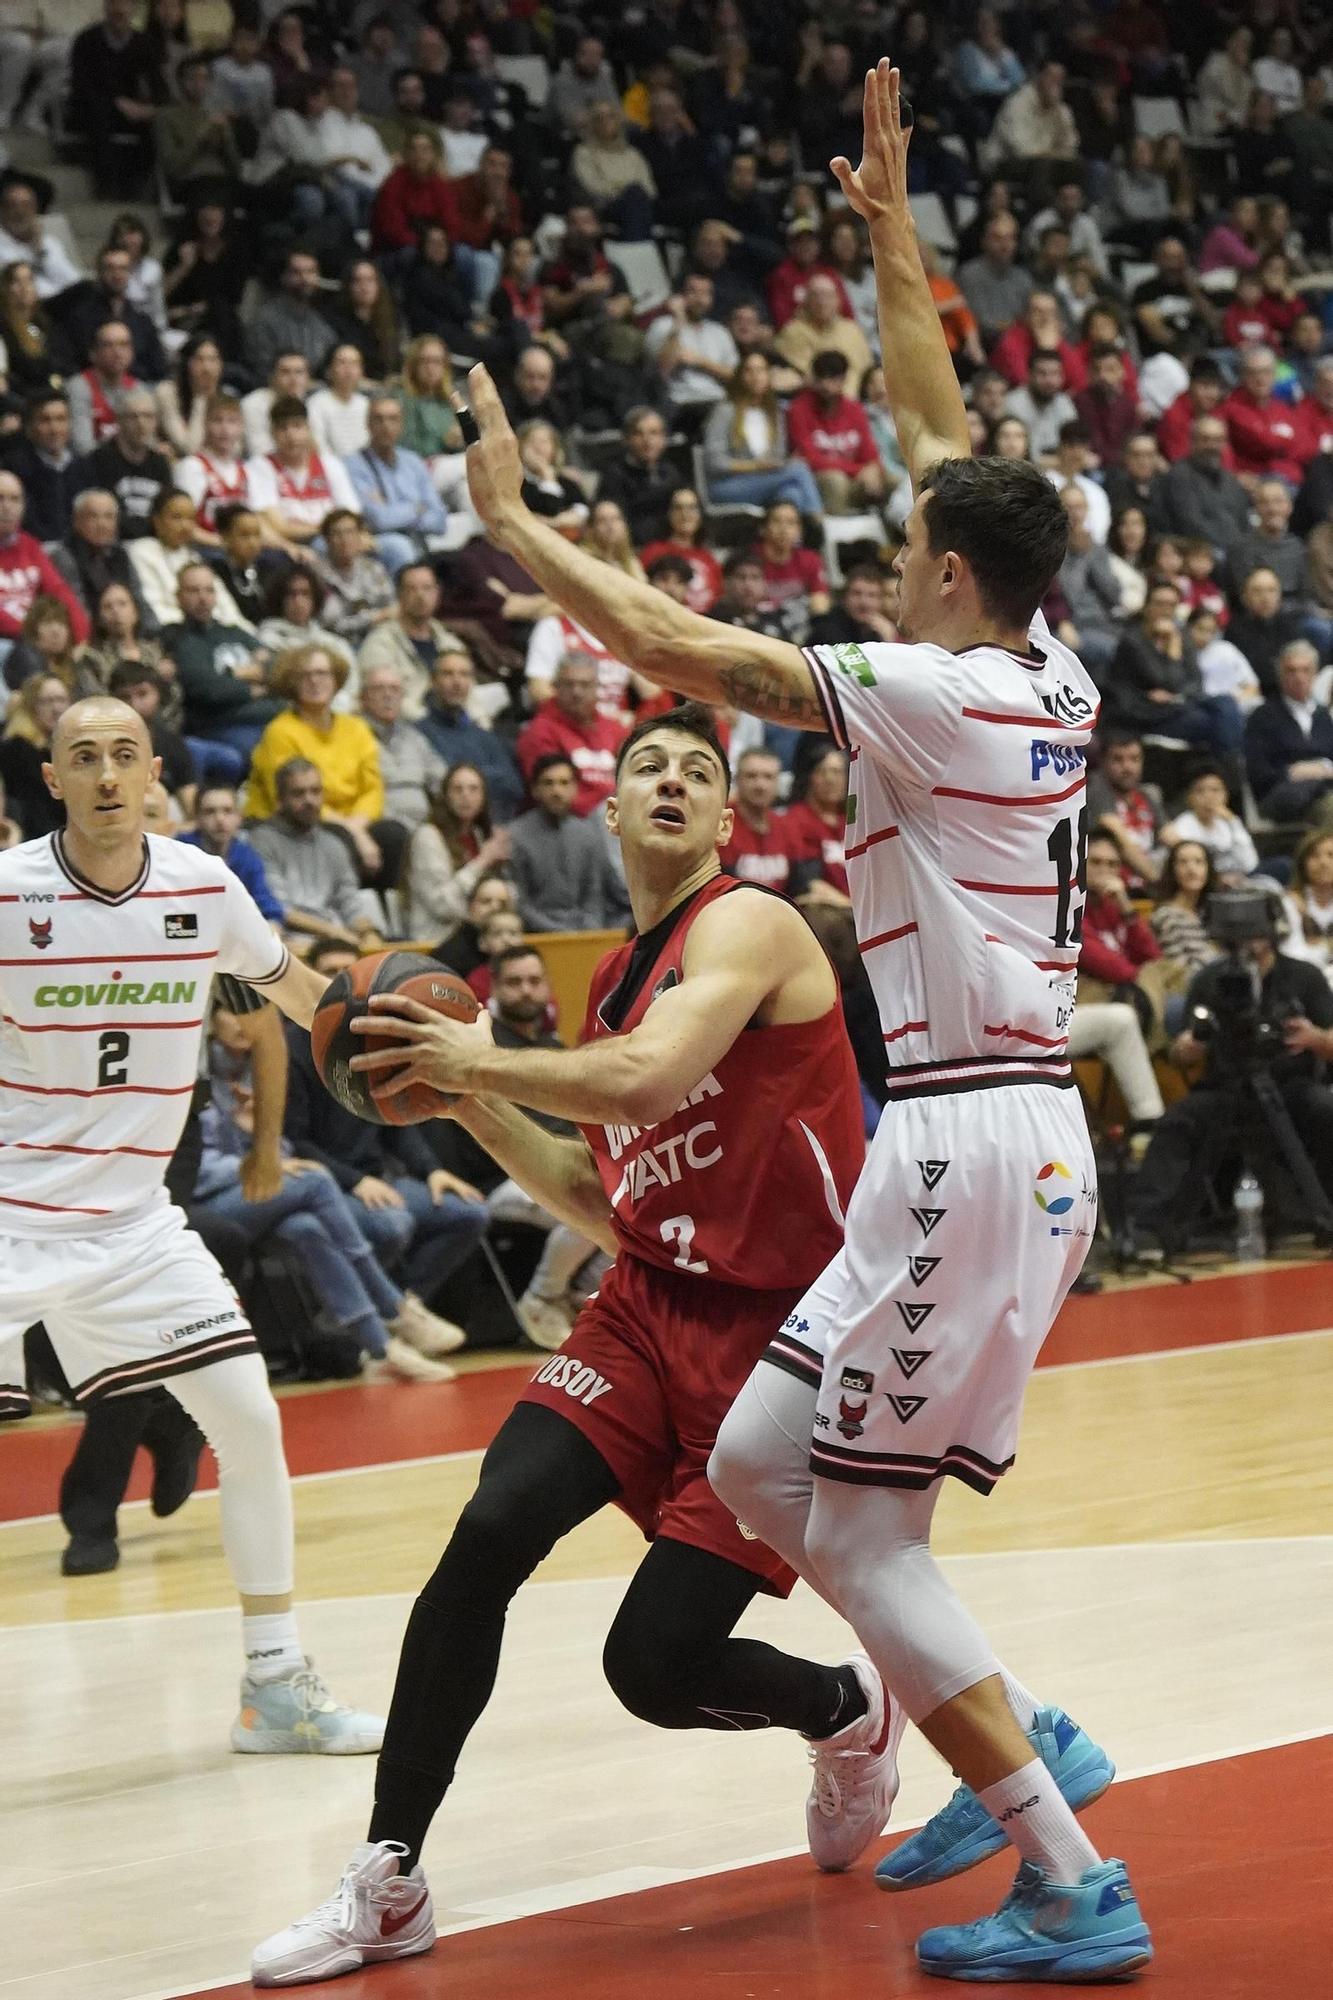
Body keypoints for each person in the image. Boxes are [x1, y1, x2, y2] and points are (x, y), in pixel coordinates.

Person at [404, 63, 1150, 1984]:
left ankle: (1057, 1854)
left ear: (947, 586)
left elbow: (677, 652)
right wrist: (892, 235)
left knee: (847, 1527)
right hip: (983, 1131)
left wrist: (513, 528)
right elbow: (945, 426)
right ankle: (1000, 1741)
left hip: (971, 1137)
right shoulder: (1039, 644)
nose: (888, 562)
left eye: (910, 555)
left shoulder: (931, 690)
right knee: (764, 1477)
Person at [252, 698, 873, 1988]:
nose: (669, 781)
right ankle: (391, 1873)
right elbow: (605, 1199)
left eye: (696, 772)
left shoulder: (749, 922)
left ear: (722, 817)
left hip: (786, 1345)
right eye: (645, 763)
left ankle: (841, 1711)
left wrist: (481, 1054)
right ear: (607, 808)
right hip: (648, 1305)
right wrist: (457, 1091)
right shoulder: (609, 981)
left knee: (650, 1667)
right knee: (486, 1533)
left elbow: (648, 1079)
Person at [0, 688, 384, 1749]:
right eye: (86, 756)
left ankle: (274, 1687)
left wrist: (402, 1036)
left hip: (135, 1227)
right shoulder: (6, 895)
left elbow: (298, 990)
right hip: (8, 1220)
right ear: (54, 779)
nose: (109, 774)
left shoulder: (203, 886)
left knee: (253, 1425)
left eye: (127, 754)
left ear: (157, 771)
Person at [1130, 912, 1333, 1251]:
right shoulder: (1210, 979)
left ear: (1272, 934)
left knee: (1327, 1108)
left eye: (1255, 934)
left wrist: (1315, 1039)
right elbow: (1181, 1052)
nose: (1248, 944)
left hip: (1290, 1087)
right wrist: (1190, 1046)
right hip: (1228, 1086)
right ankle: (1147, 1227)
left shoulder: (1304, 976)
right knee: (1178, 1121)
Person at [247, 645, 396, 893]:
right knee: (339, 837)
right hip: (294, 819)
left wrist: (358, 826)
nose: (315, 681)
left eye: (323, 673)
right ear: (292, 684)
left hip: (352, 820)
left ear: (336, 681)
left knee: (393, 835)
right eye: (305, 675)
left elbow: (373, 788)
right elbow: (292, 795)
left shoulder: (356, 728)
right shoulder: (280, 731)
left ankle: (379, 912)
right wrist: (352, 830)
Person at [249, 758, 384, 955]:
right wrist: (333, 933)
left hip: (337, 942)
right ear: (279, 799)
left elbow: (350, 902)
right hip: (286, 943)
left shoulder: (334, 844)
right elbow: (277, 908)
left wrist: (369, 933)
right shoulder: (260, 841)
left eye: (315, 791)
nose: (309, 800)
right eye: (298, 793)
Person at [701, 353, 823, 516]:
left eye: (761, 370)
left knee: (791, 494)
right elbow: (715, 462)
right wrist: (756, 466)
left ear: (768, 376)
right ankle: (820, 524)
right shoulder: (725, 411)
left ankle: (799, 539)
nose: (756, 376)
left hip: (766, 481)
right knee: (798, 470)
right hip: (727, 485)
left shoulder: (775, 413)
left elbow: (777, 455)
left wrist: (776, 464)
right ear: (740, 376)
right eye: (749, 371)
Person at [506, 753, 613, 933]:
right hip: (535, 935)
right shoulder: (515, 835)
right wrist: (559, 932)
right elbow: (519, 901)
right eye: (548, 783)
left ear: (575, 788)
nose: (557, 791)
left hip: (585, 932)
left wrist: (589, 930)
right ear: (534, 789)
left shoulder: (588, 833)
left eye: (564, 783)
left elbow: (594, 894)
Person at [403, 762, 511, 941]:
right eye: (457, 789)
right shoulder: (428, 836)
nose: (465, 796)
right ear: (445, 796)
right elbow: (443, 906)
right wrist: (483, 861)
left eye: (473, 789)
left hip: (480, 937)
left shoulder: (478, 835)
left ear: (483, 797)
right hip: (438, 938)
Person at [415, 647, 523, 824]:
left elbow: (513, 785)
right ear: (433, 681)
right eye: (448, 674)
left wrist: (468, 775)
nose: (457, 682)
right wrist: (487, 774)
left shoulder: (483, 734)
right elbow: (447, 784)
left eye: (464, 675)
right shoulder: (420, 733)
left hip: (495, 824)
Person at [345, 393, 448, 577]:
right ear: (368, 425)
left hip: (419, 540)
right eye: (379, 419)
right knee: (401, 547)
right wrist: (417, 509)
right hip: (378, 541)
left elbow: (439, 520)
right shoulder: (354, 464)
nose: (386, 426)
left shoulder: (413, 461)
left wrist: (398, 513)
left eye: (393, 419)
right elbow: (378, 520)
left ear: (401, 425)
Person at [515, 651, 624, 819]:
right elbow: (553, 794)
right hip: (565, 823)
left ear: (597, 687)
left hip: (614, 819)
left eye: (585, 684)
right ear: (555, 686)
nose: (577, 692)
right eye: (569, 684)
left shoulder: (614, 728)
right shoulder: (539, 732)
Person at [1243, 641, 1333, 826]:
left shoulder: (1324, 716)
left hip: (1325, 787)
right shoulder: (1263, 717)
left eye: (1305, 670)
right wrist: (1292, 773)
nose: (1299, 677)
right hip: (1282, 794)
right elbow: (1257, 772)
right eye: (1291, 671)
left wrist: (1322, 770)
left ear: (1315, 674)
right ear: (1280, 675)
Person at [178, 780, 283, 924]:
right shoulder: (180, 852)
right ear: (197, 818)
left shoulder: (247, 857)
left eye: (227, 811)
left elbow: (270, 910)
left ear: (239, 817)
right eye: (210, 812)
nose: (220, 819)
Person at [719, 745, 795, 895]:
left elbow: (800, 886)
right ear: (737, 779)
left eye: (768, 777)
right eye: (751, 776)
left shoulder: (786, 826)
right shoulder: (720, 823)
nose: (760, 785)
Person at [1282, 829, 1333, 982]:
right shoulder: (1289, 902)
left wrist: (1318, 945)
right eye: (1315, 856)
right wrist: (1327, 946)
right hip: (1305, 980)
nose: (1323, 863)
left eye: (1331, 855)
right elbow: (1291, 953)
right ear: (1303, 863)